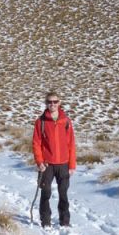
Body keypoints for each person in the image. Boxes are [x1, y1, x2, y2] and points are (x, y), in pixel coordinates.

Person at [32, 91, 76, 228]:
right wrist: (39, 162)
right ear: (46, 103)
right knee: (46, 193)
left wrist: (72, 165)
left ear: (59, 102)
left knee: (63, 194)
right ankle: (45, 221)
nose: (52, 104)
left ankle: (65, 221)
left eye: (55, 101)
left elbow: (71, 144)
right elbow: (36, 143)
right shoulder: (41, 122)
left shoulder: (66, 121)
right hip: (47, 165)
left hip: (63, 164)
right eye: (49, 102)